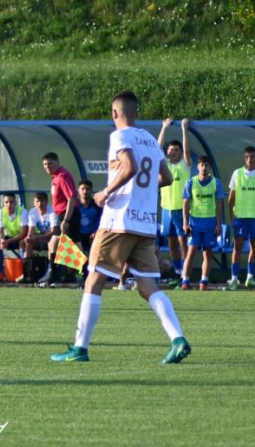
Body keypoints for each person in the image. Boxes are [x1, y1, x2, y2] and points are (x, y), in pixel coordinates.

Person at [50, 91, 191, 364]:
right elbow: (167, 177)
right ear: (136, 112)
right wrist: (142, 190)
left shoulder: (119, 137)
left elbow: (129, 166)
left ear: (115, 113)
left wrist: (105, 193)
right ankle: (178, 339)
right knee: (147, 285)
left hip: (119, 220)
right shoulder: (150, 139)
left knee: (94, 278)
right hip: (146, 224)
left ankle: (80, 348)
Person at [178, 156, 224, 291]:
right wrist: (185, 223)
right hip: (195, 223)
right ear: (198, 167)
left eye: (207, 166)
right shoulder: (190, 183)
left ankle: (203, 281)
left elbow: (220, 203)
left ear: (210, 168)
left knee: (207, 253)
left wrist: (218, 224)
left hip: (210, 223)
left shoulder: (216, 183)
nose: (204, 168)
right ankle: (185, 280)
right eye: (202, 165)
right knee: (191, 252)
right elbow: (185, 203)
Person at [157, 118, 192, 283]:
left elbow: (187, 151)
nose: (173, 153)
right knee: (170, 241)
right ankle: (178, 271)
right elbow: (157, 149)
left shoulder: (184, 165)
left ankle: (186, 273)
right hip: (166, 209)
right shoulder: (165, 166)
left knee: (182, 241)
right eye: (171, 150)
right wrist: (164, 127)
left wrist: (184, 129)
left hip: (180, 210)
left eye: (176, 150)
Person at [41, 152, 83, 283]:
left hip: (69, 214)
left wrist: (66, 220)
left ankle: (83, 273)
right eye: (45, 164)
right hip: (61, 214)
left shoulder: (62, 176)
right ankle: (54, 274)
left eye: (50, 163)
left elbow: (71, 198)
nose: (48, 167)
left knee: (74, 246)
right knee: (54, 243)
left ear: (57, 162)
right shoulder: (55, 177)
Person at [227, 146, 255, 290]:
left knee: (254, 248)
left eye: (252, 156)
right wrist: (232, 216)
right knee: (237, 248)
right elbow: (231, 198)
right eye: (247, 157)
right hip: (241, 217)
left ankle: (250, 277)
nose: (250, 159)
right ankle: (234, 278)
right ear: (244, 158)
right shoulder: (237, 173)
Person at [0, 192, 28, 282]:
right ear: (3, 203)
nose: (9, 205)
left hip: (20, 238)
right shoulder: (1, 212)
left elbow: (24, 233)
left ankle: (23, 274)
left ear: (15, 203)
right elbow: (0, 232)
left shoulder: (23, 212)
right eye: (6, 202)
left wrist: (9, 241)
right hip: (10, 238)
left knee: (22, 242)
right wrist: (2, 239)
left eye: (11, 202)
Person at [77, 180, 103, 286]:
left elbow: (103, 221)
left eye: (87, 189)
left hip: (93, 236)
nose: (85, 191)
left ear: (91, 191)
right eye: (82, 189)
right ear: (78, 191)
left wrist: (96, 232)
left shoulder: (96, 206)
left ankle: (92, 276)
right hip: (78, 236)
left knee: (94, 254)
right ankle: (75, 275)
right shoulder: (75, 206)